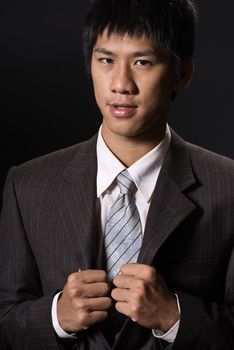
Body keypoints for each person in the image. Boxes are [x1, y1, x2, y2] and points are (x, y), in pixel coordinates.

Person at [0, 0, 234, 349]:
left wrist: (174, 317)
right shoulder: (28, 184)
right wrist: (56, 317)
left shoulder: (227, 186)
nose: (121, 84)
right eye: (106, 60)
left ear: (182, 73)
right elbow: (5, 321)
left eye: (142, 62)